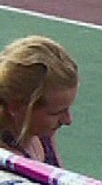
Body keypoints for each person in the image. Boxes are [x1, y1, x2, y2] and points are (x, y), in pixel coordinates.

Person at [0, 36, 78, 168]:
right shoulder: (7, 167)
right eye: (56, 113)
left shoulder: (41, 134)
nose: (68, 120)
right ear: (16, 106)